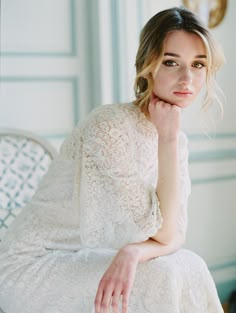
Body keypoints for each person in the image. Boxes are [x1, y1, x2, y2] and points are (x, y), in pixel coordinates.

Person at [0, 6, 225, 313]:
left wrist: (133, 253)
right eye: (171, 62)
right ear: (147, 64)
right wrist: (168, 139)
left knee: (189, 266)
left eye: (198, 65)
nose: (187, 78)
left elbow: (176, 235)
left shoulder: (174, 137)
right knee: (166, 274)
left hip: (87, 258)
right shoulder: (108, 126)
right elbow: (164, 234)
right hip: (33, 266)